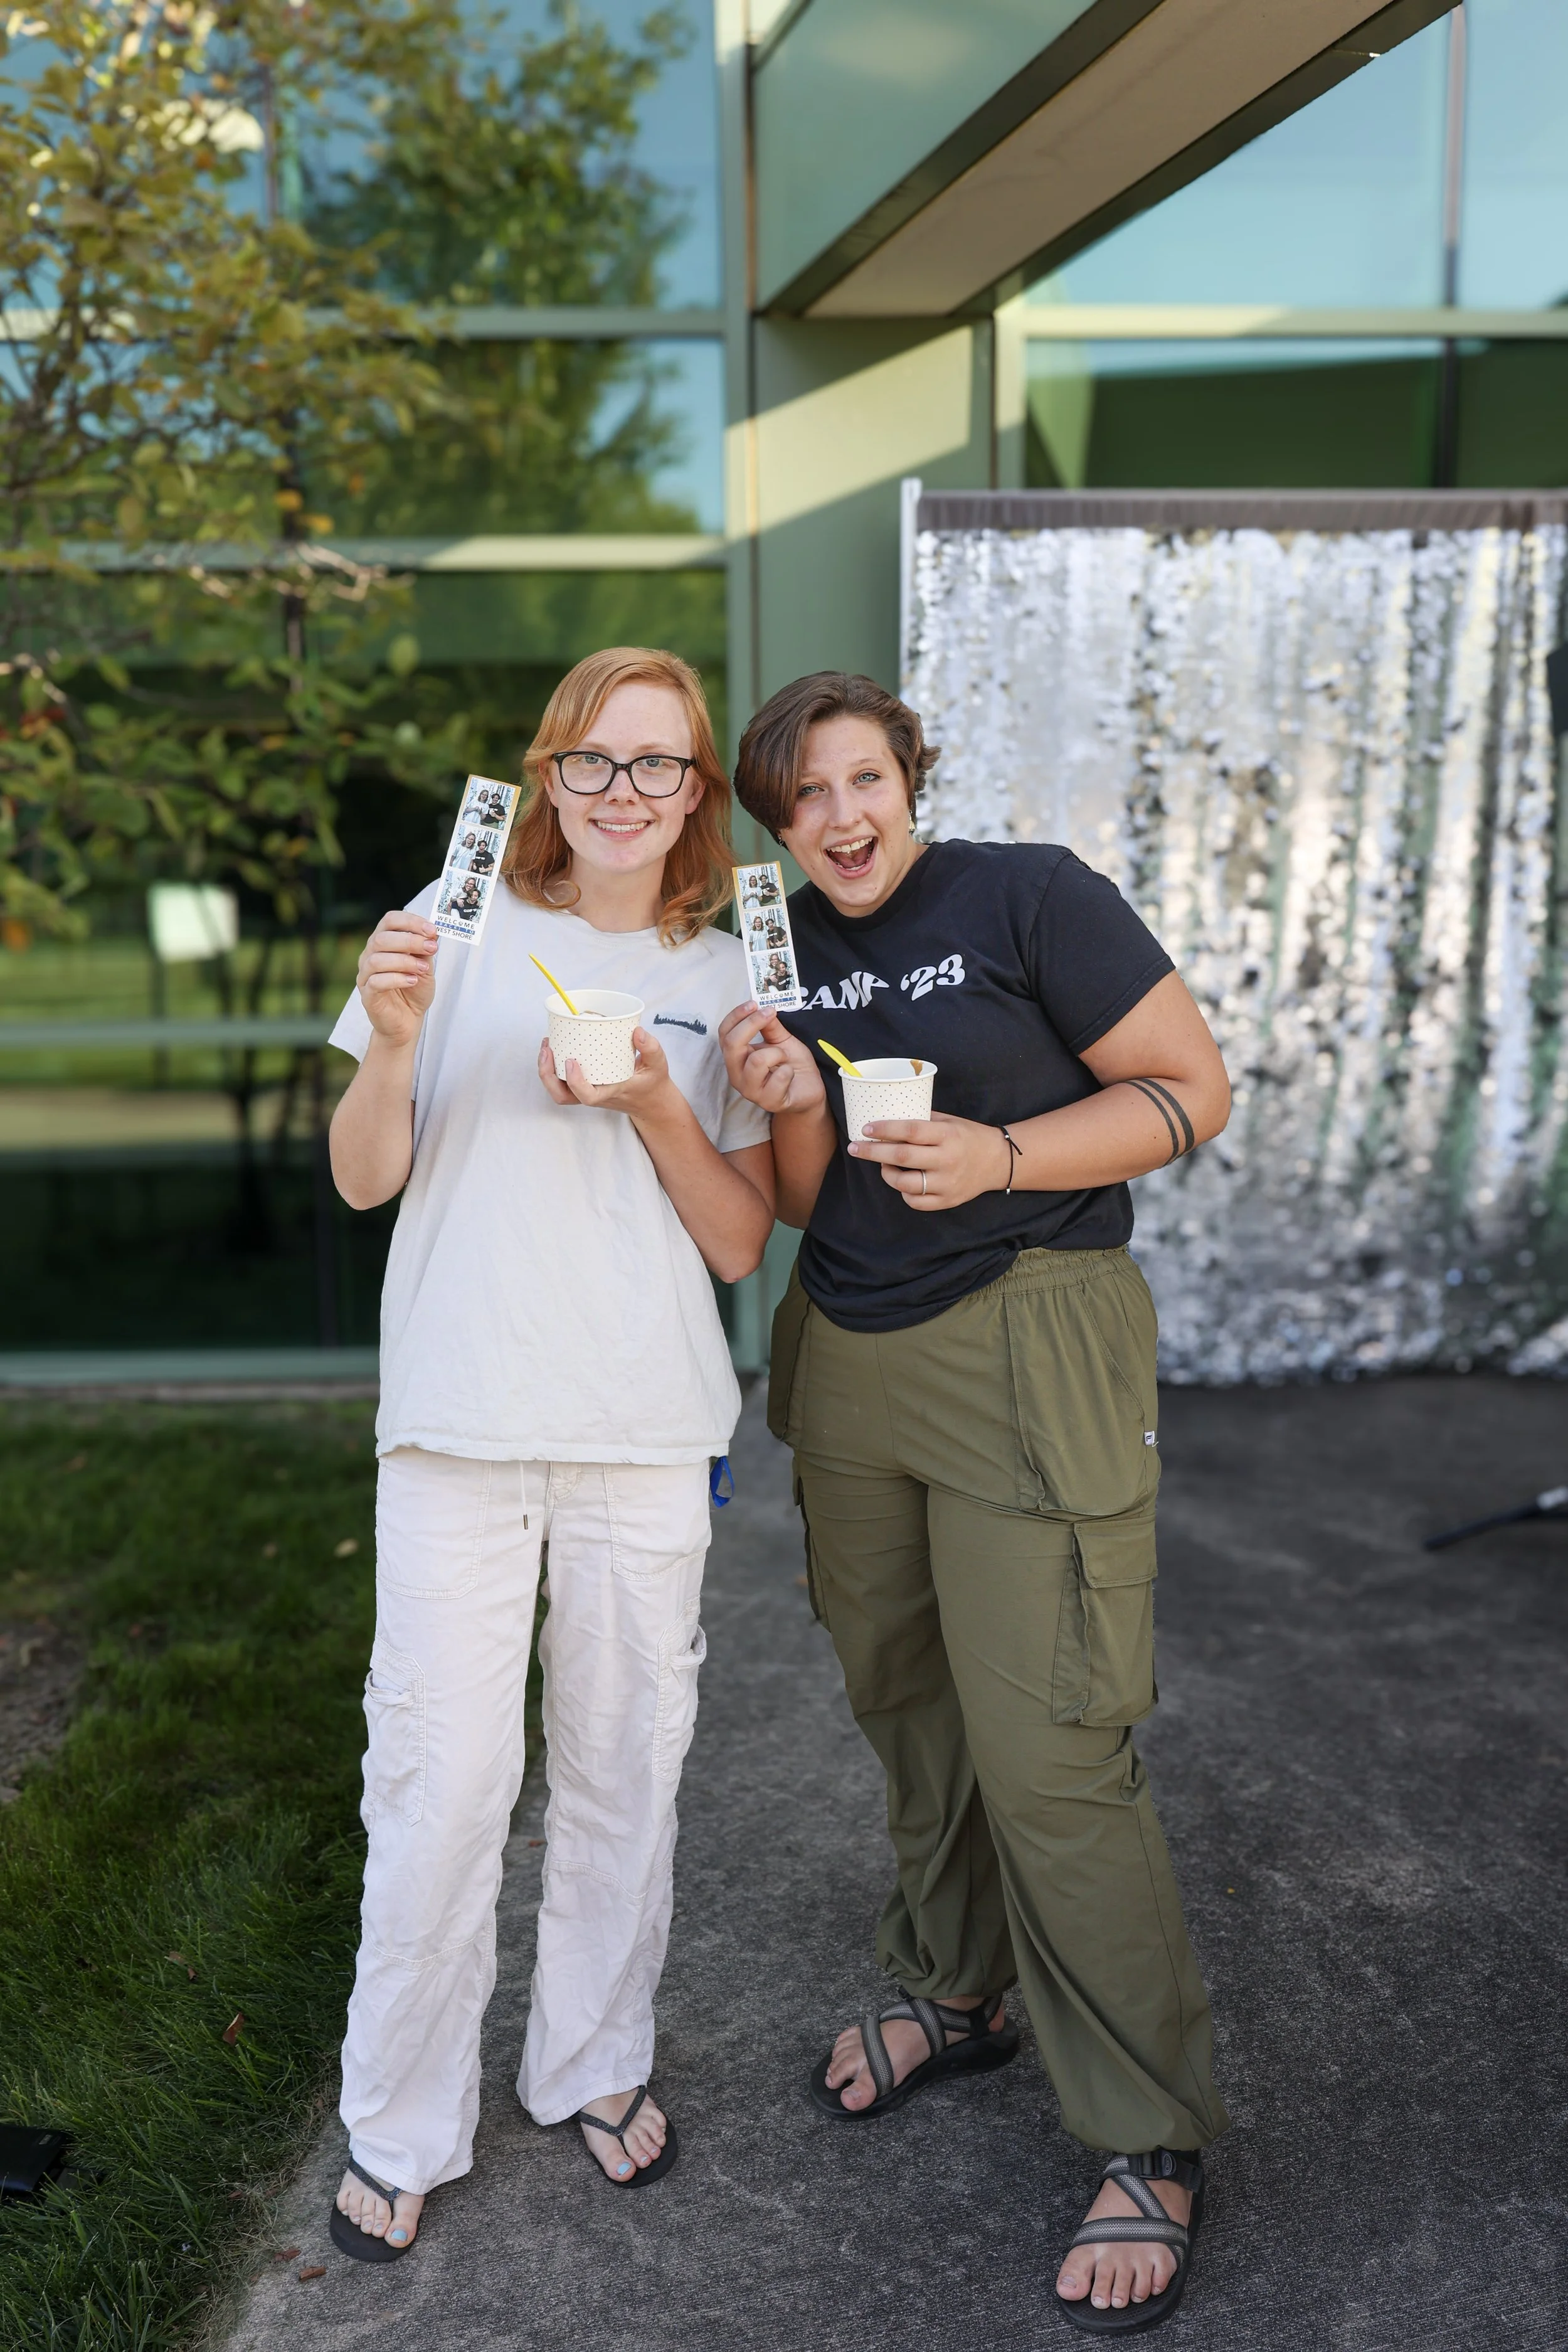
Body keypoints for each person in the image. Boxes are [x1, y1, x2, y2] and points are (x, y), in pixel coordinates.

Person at [719, 671, 1231, 2335]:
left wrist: (1002, 1156)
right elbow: (800, 1199)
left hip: (1029, 1323)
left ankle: (1144, 2125)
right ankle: (957, 1985)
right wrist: (794, 1105)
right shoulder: (783, 947)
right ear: (774, 823)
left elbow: (1186, 1088)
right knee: (904, 1695)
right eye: (801, 801)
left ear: (907, 774)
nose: (838, 820)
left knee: (1052, 1738)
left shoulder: (1027, 893)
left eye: (860, 780)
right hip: (849, 1347)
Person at [326, 646, 774, 2262]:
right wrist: (388, 1042)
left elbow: (736, 1246)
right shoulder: (447, 929)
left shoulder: (726, 978)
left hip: (645, 1427)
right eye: (593, 761)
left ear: (695, 796)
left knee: (621, 1765)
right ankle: (401, 2114)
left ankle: (591, 2057)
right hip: (455, 1419)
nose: (623, 792)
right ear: (546, 776)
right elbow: (364, 1179)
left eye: (658, 765)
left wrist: (660, 1096)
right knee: (439, 1784)